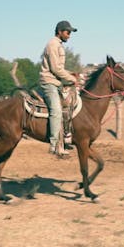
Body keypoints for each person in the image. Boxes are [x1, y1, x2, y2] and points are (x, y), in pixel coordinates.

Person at [40, 20, 83, 155]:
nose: (69, 35)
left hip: (57, 82)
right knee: (56, 110)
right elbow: (55, 69)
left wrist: (72, 74)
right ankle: (54, 144)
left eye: (70, 33)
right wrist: (72, 79)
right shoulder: (53, 44)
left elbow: (59, 68)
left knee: (69, 106)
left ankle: (66, 138)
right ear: (60, 32)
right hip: (49, 82)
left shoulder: (58, 44)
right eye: (67, 32)